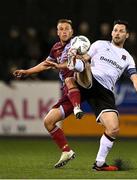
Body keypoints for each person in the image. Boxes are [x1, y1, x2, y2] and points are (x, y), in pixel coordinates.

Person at [46, 20, 137, 171]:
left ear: (127, 35)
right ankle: (73, 63)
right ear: (111, 32)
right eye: (115, 30)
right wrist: (73, 61)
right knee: (50, 120)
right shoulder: (99, 44)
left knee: (113, 128)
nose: (117, 33)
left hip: (103, 92)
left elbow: (135, 78)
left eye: (121, 31)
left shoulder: (127, 57)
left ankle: (100, 164)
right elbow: (85, 59)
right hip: (86, 82)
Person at [13, 19, 84, 168]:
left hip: (83, 83)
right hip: (69, 92)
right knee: (48, 122)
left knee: (69, 78)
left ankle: (77, 107)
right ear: (57, 32)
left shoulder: (77, 43)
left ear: (72, 32)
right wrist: (27, 71)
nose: (64, 31)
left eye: (67, 29)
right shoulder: (56, 48)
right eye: (61, 29)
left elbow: (84, 59)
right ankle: (66, 151)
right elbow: (46, 64)